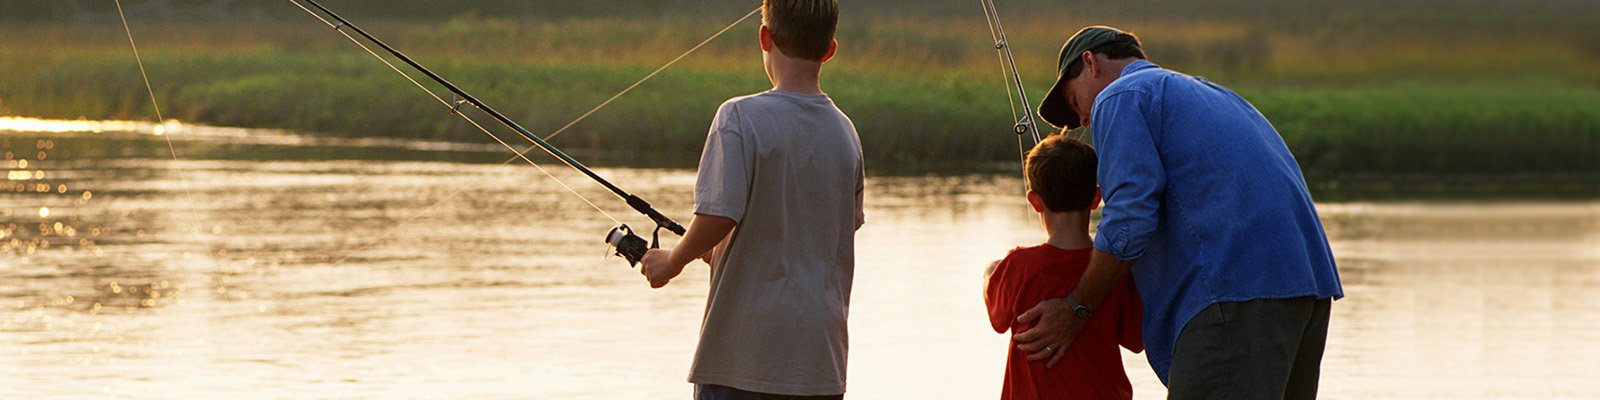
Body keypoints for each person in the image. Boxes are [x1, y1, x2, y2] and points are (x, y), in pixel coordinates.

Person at [1013, 26, 1344, 399]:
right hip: (1308, 289)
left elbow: (1128, 220)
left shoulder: (1119, 96)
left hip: (1234, 294)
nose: (1085, 121)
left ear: (1090, 63)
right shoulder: (1213, 94)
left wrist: (1076, 308)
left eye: (1076, 103)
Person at [637, 1, 864, 399]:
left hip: (742, 364)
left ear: (764, 37)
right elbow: (821, 231)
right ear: (830, 49)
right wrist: (723, 251)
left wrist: (672, 261)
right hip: (820, 365)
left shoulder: (739, 117)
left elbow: (717, 216)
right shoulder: (846, 134)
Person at [985, 134, 1143, 400]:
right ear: (1096, 199)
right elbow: (1135, 339)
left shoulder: (1017, 266)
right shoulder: (1114, 271)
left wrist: (991, 270)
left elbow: (997, 317)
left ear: (1035, 201)